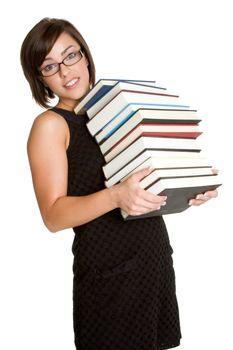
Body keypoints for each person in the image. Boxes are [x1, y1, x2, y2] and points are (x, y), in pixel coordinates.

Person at [20, 17, 218, 350]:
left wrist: (188, 187)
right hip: (109, 272)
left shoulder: (116, 108)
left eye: (70, 56)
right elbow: (53, 216)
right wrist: (115, 196)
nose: (66, 72)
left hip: (152, 259)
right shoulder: (51, 125)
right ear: (39, 79)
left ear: (85, 55)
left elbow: (143, 182)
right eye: (50, 66)